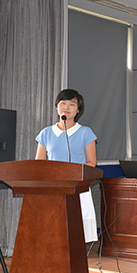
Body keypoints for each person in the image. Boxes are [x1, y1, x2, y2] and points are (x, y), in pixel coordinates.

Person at [35, 89, 98, 243]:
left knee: (76, 234)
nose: (66, 107)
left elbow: (91, 163)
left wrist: (74, 174)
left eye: (72, 104)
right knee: (52, 232)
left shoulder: (85, 132)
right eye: (63, 103)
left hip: (77, 187)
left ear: (78, 110)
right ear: (57, 107)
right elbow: (39, 164)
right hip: (52, 187)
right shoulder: (46, 133)